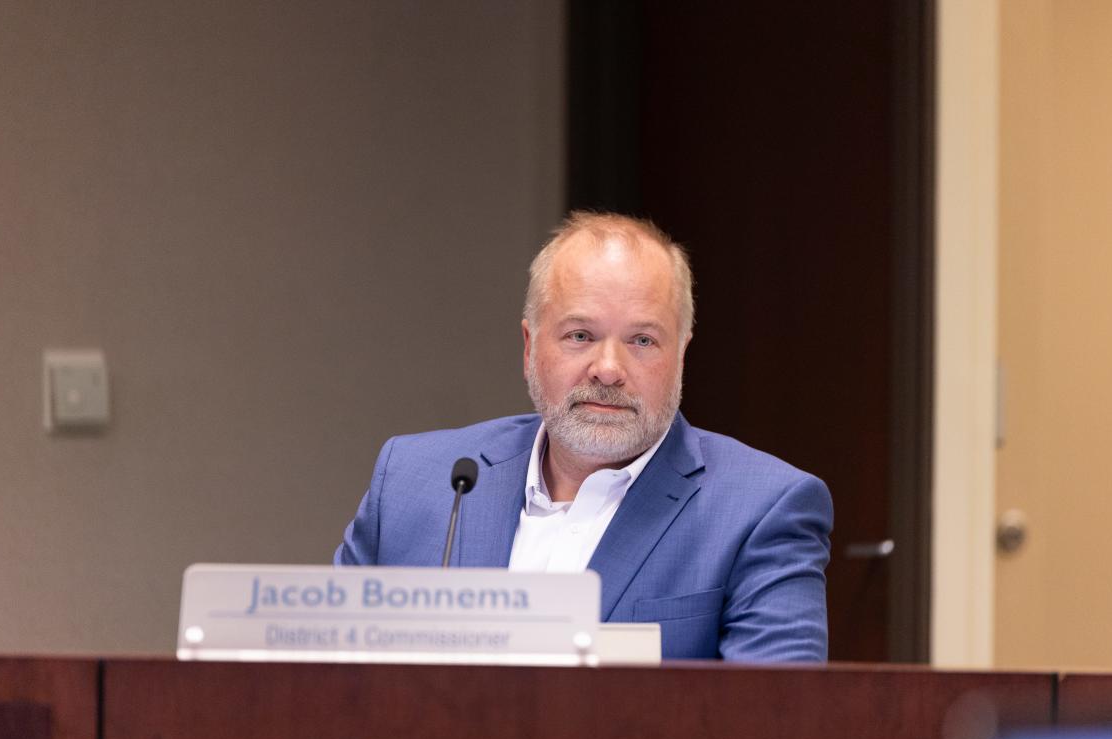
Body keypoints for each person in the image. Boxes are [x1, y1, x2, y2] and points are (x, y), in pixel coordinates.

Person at [335, 211, 832, 661]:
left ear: (681, 354)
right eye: (580, 336)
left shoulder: (762, 508)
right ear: (530, 348)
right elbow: (322, 682)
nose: (609, 369)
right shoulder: (413, 481)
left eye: (642, 340)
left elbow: (776, 731)